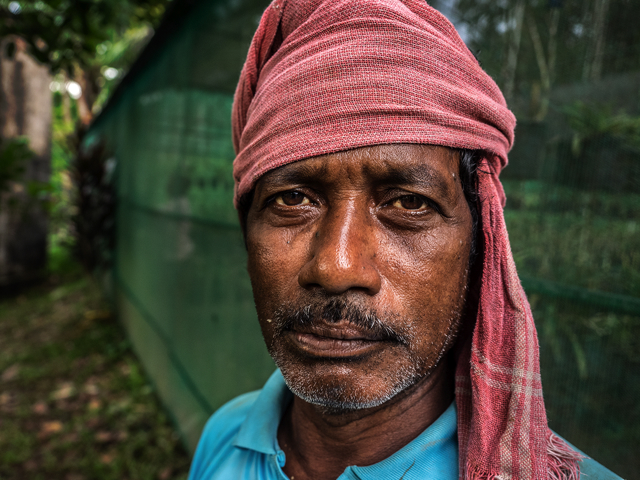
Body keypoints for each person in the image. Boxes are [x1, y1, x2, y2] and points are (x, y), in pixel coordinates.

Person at [188, 1, 621, 479]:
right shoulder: (224, 437)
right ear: (247, 232)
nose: (337, 267)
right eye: (293, 199)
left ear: (481, 242)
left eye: (410, 204)